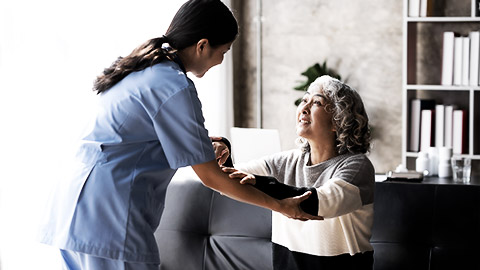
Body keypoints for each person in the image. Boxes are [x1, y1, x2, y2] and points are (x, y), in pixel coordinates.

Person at [37, 1, 320, 269]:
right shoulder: (174, 85)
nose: (220, 61)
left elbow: (130, 140)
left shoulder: (140, 70)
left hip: (72, 211)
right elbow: (211, 177)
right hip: (108, 218)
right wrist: (280, 206)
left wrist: (201, 146)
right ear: (202, 45)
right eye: (224, 51)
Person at [223, 75, 375, 270]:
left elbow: (321, 203)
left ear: (338, 120)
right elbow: (224, 180)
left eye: (317, 102)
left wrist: (261, 184)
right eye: (304, 100)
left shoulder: (357, 166)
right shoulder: (286, 162)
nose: (304, 108)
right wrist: (222, 149)